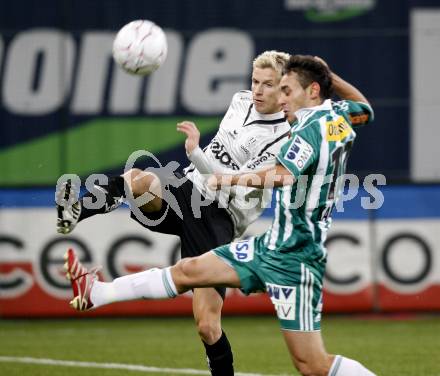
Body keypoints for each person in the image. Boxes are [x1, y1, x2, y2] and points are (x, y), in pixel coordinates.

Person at [64, 54, 376, 375]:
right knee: (187, 271)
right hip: (270, 246)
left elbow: (283, 175)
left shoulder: (310, 128)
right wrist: (327, 73)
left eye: (285, 90)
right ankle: (97, 292)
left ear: (311, 91)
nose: (280, 98)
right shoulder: (338, 115)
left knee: (312, 365)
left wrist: (225, 178)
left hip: (295, 258)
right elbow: (365, 108)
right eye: (273, 88)